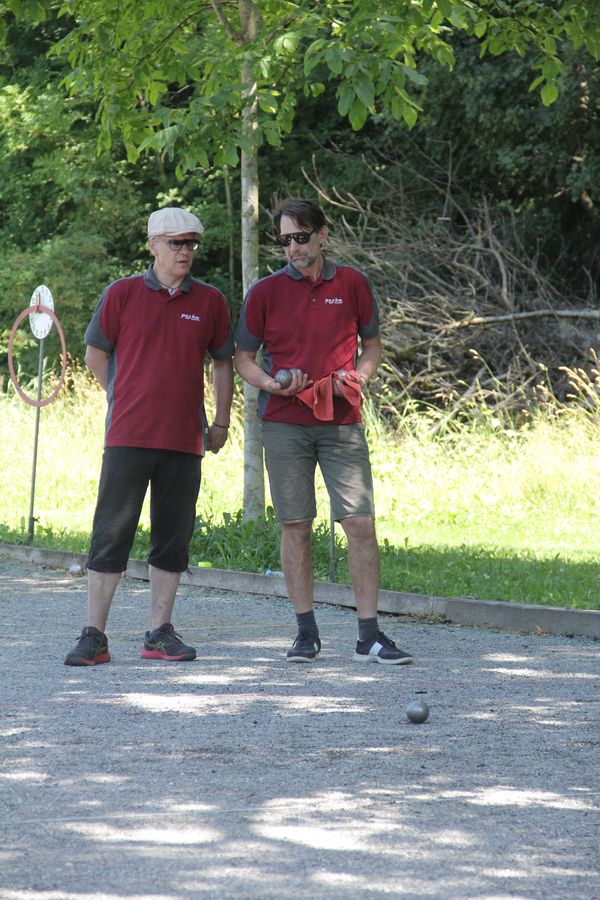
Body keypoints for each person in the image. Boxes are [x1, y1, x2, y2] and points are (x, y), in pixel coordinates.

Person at [234, 197, 412, 665]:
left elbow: (371, 347)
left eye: (300, 237)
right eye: (284, 239)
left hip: (341, 420)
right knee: (296, 525)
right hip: (284, 423)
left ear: (321, 234)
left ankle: (369, 636)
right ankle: (306, 632)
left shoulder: (352, 282)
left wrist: (360, 377)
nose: (292, 247)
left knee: (359, 522)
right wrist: (273, 383)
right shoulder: (265, 292)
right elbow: (243, 358)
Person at [65, 207, 234, 666]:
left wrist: (220, 421)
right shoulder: (120, 294)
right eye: (175, 242)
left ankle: (159, 633)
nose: (184, 251)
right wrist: (124, 397)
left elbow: (223, 361)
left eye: (191, 243)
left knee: (172, 538)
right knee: (110, 536)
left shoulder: (211, 301)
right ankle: (94, 636)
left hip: (184, 438)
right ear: (152, 244)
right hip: (128, 436)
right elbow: (96, 355)